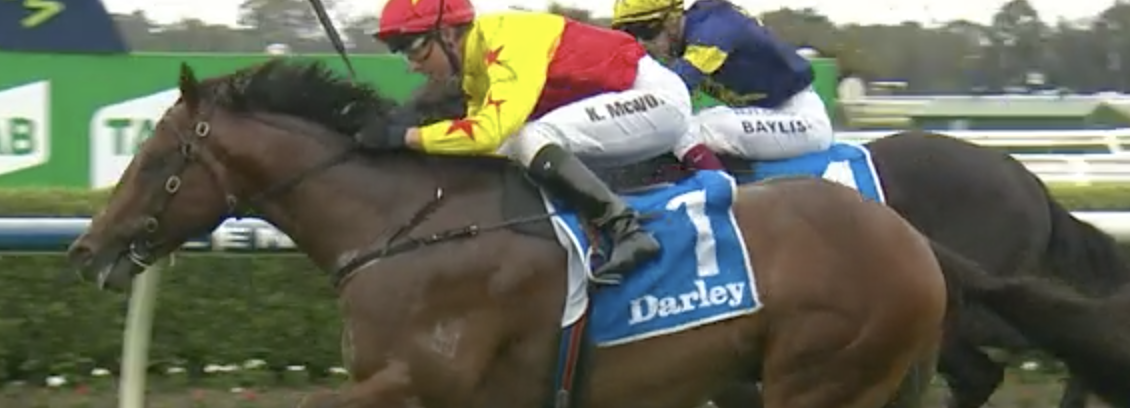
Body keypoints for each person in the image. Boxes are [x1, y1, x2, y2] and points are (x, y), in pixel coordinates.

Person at [355, 0, 721, 284]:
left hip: (658, 101)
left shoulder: (505, 40)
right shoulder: (475, 69)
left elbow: (489, 131)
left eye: (415, 49)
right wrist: (402, 129)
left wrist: (404, 137)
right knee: (516, 144)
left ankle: (627, 231)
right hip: (626, 108)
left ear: (448, 34)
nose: (413, 65)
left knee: (531, 136)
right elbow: (482, 141)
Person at [610, 0, 834, 168]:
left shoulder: (712, 32)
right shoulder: (683, 36)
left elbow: (670, 91)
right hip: (764, 115)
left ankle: (720, 196)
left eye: (645, 31)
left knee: (696, 128)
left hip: (801, 120)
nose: (641, 43)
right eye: (630, 35)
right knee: (696, 120)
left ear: (672, 20)